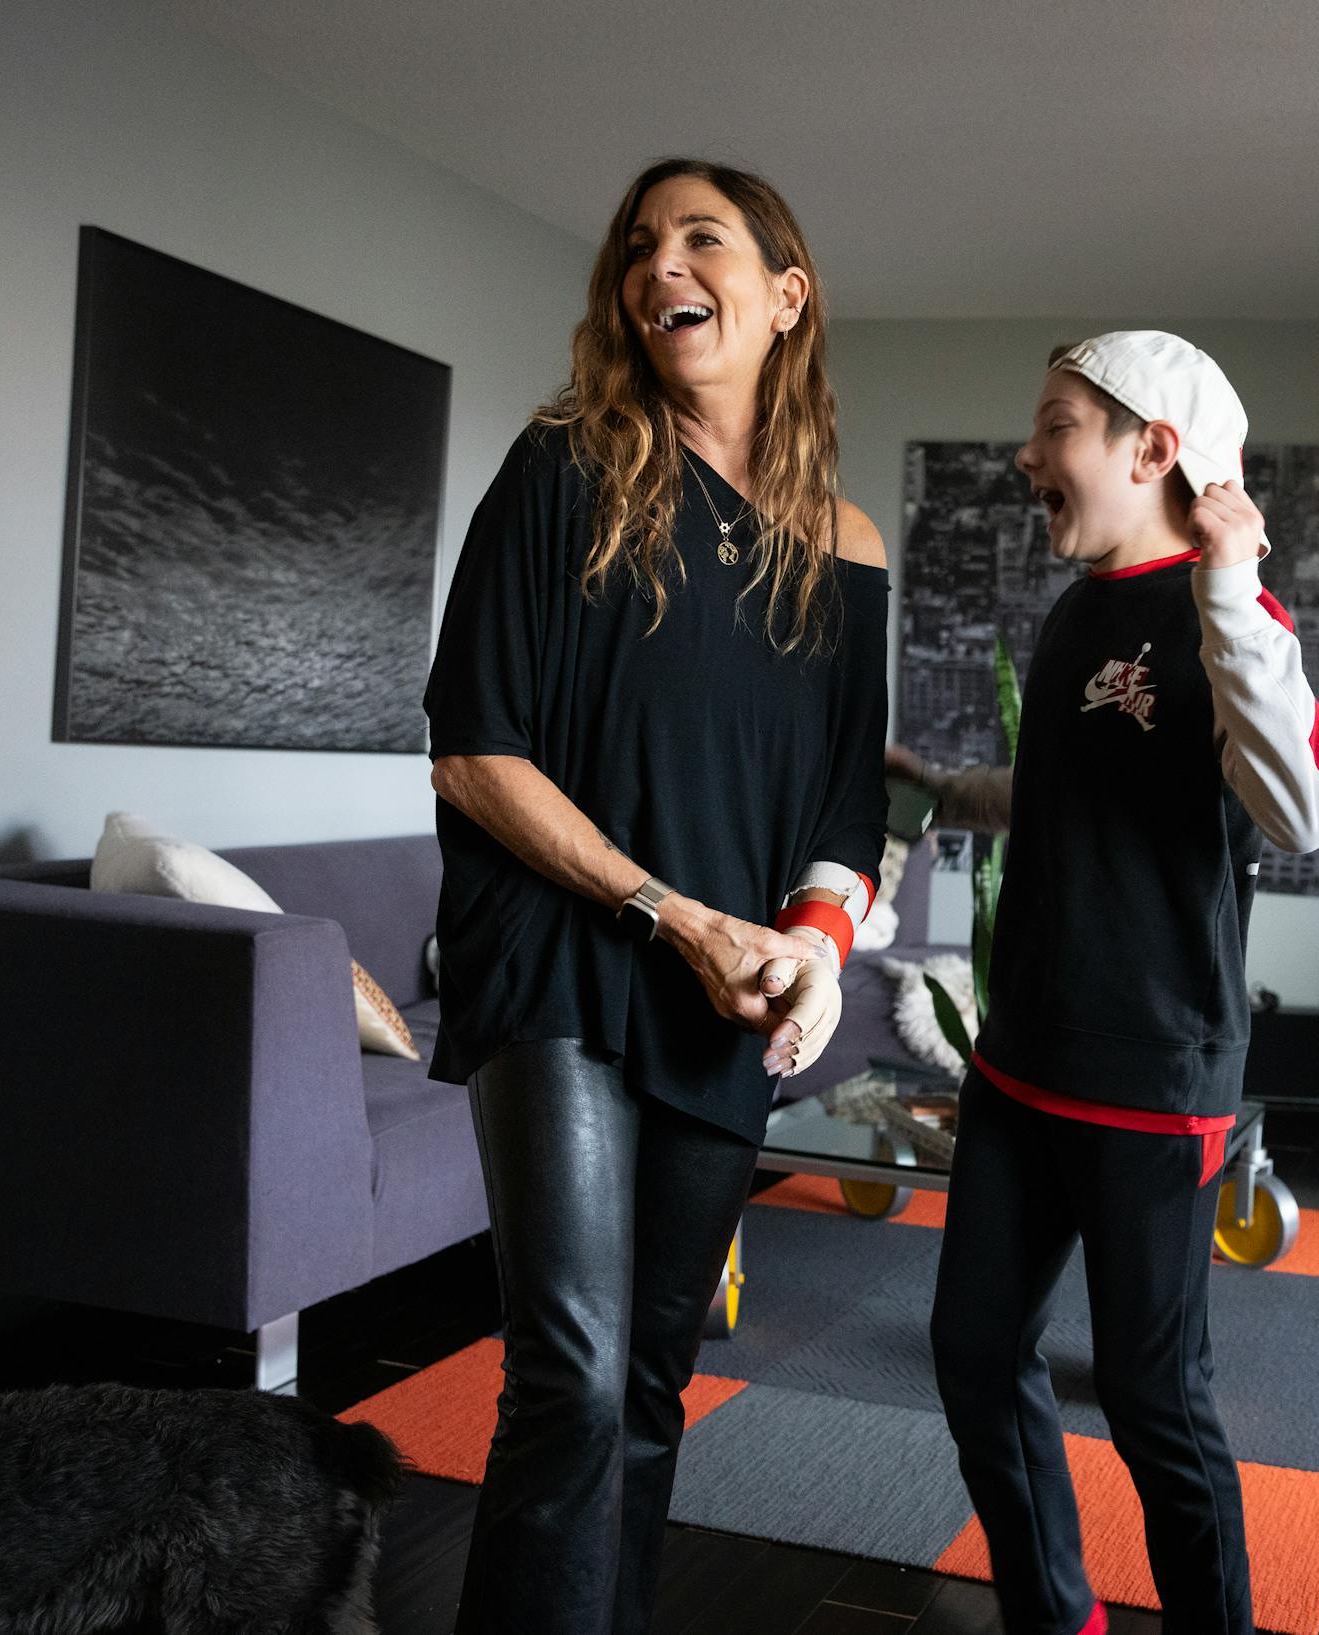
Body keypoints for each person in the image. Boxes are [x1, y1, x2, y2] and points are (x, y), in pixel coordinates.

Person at [423, 157, 889, 1634]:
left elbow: (843, 808)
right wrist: (672, 915)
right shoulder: (564, 467)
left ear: (784, 297)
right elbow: (472, 751)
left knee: (648, 1384)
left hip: (721, 997)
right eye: (638, 247)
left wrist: (810, 954)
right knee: (566, 1374)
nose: (657, 266)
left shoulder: (849, 548)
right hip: (560, 960)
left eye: (699, 239)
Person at [918, 331, 1319, 1635]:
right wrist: (941, 789)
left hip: (1148, 1078)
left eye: (1056, 423)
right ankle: (1055, 1613)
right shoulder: (1077, 609)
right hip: (1018, 1060)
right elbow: (1071, 791)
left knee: (1155, 1401)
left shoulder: (1224, 613)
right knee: (975, 1353)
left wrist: (1230, 586)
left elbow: (1310, 806)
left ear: (1151, 447)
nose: (1026, 452)